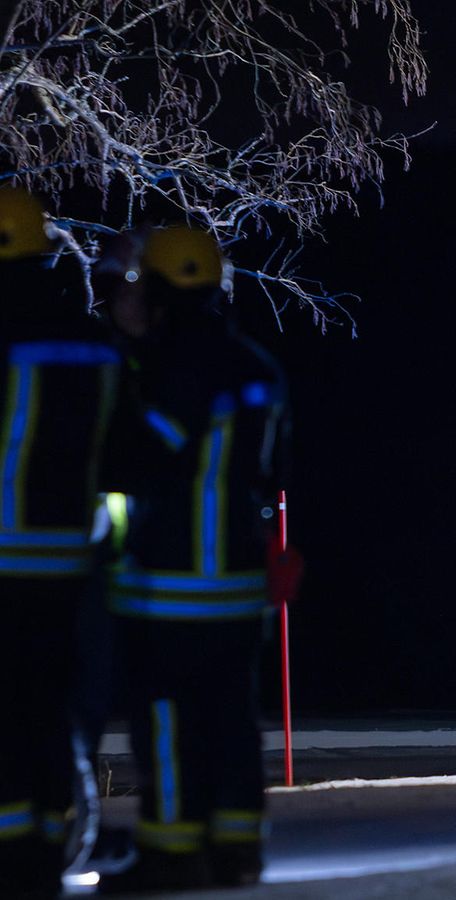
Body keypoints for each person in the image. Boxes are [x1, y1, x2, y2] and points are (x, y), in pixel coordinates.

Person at [97, 227, 290, 893]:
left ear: (158, 288)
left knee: (170, 723)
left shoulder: (181, 367)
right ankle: (237, 848)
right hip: (236, 581)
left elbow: (138, 455)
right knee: (233, 721)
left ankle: (173, 852)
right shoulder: (255, 366)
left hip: (173, 581)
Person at [0, 188, 122, 898]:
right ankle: (48, 842)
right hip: (73, 563)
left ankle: (15, 850)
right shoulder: (90, 343)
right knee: (52, 713)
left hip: (6, 556)